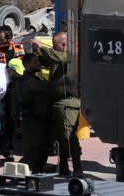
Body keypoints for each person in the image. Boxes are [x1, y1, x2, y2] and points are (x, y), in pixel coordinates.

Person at [32, 32, 83, 177]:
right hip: (56, 102)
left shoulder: (71, 55)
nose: (54, 49)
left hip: (68, 103)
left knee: (69, 137)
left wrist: (43, 48)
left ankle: (78, 168)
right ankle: (64, 167)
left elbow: (58, 58)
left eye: (55, 46)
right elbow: (47, 61)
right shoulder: (57, 56)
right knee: (59, 137)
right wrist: (38, 51)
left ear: (64, 45)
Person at [15, 53, 51, 173]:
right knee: (32, 151)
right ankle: (22, 175)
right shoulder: (28, 81)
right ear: (29, 64)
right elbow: (44, 89)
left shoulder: (33, 79)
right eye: (36, 62)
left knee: (41, 150)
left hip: (37, 120)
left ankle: (36, 173)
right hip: (31, 120)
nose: (39, 64)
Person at [0, 58, 24, 161]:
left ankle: (2, 148)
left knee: (2, 118)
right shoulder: (0, 84)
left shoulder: (1, 66)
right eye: (17, 74)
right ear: (10, 70)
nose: (18, 77)